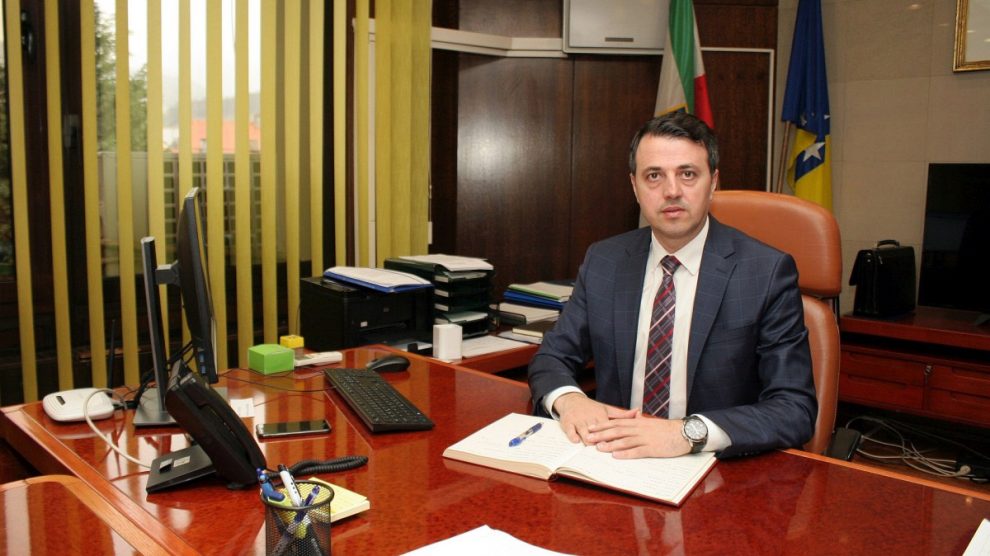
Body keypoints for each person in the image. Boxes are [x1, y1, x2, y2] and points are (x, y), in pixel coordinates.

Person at [528, 112, 817, 459]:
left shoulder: (765, 272)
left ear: (713, 182)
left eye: (688, 174)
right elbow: (552, 356)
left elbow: (794, 408)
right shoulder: (605, 261)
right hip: (615, 459)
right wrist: (570, 399)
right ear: (634, 186)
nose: (672, 191)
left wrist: (686, 433)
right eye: (654, 176)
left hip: (717, 469)